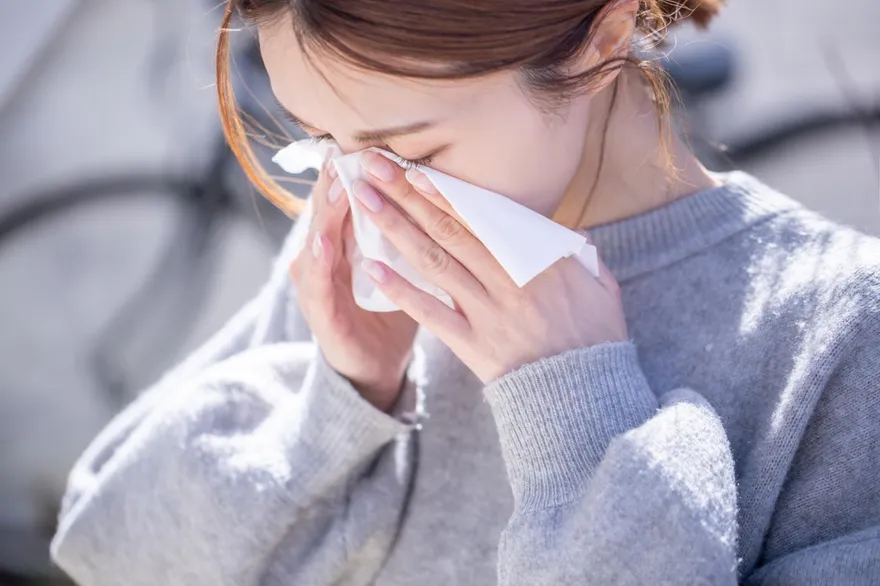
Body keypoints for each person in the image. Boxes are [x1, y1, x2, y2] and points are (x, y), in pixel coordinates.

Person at [51, 0, 880, 584]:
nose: (365, 185)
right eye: (323, 141)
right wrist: (337, 405)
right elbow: (106, 550)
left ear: (606, 39)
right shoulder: (359, 255)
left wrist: (577, 408)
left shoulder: (837, 332)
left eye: (410, 151)